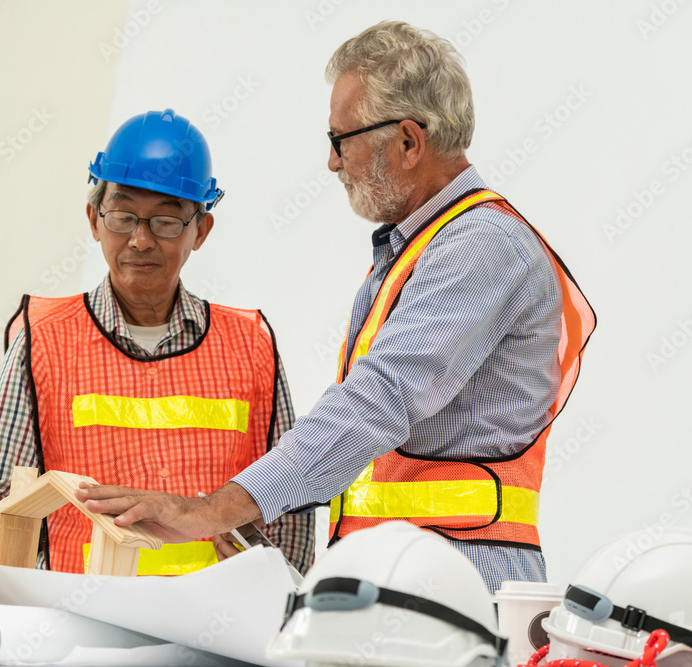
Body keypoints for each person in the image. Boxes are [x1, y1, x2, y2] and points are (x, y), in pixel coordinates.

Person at [74, 23, 595, 594]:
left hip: (460, 587)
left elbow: (380, 396)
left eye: (340, 139)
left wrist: (211, 510)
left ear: (408, 141)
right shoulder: (416, 250)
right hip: (405, 580)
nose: (331, 162)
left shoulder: (481, 246)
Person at [0, 109, 315, 576]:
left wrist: (267, 580)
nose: (140, 240)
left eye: (165, 221)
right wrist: (12, 590)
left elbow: (290, 504)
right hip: (80, 628)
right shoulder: (46, 339)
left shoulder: (249, 345)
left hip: (215, 629)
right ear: (94, 220)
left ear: (201, 230)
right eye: (122, 217)